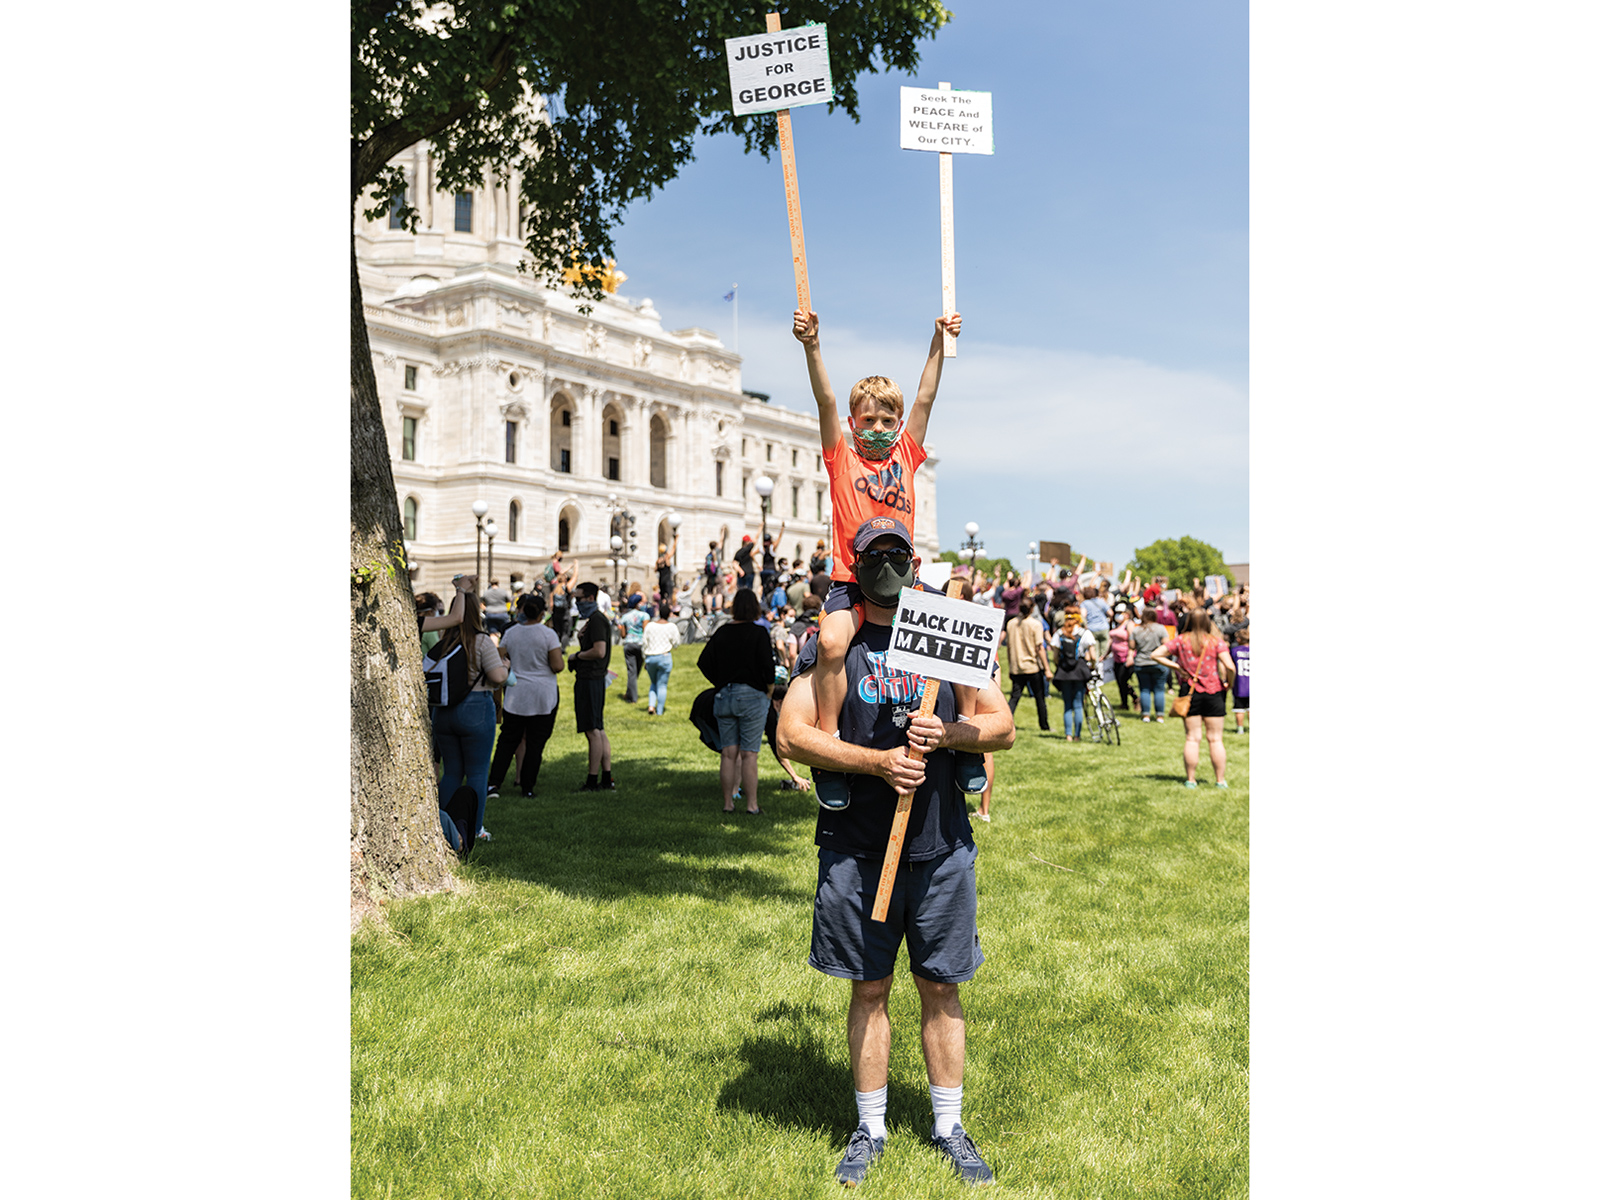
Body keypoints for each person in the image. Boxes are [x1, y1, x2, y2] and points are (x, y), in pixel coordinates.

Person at [774, 530, 1016, 1188]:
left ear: (914, 567)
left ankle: (948, 1126)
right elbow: (791, 732)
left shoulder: (939, 630)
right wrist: (876, 762)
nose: (888, 567)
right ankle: (871, 1126)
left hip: (940, 848)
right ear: (857, 568)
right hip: (856, 851)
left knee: (942, 985)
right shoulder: (838, 640)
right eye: (875, 557)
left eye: (898, 557)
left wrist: (952, 735)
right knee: (870, 987)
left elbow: (1003, 726)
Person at [793, 305, 964, 809]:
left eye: (888, 419)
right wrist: (812, 346)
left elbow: (928, 395)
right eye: (868, 419)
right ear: (853, 422)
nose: (879, 426)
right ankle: (829, 752)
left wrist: (938, 342)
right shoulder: (840, 457)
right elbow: (824, 398)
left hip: (905, 579)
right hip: (852, 579)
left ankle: (967, 742)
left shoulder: (907, 453)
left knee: (957, 635)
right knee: (829, 644)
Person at [428, 593, 509, 850]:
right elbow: (496, 676)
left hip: (443, 712)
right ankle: (474, 829)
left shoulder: (444, 641)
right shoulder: (481, 641)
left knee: (451, 771)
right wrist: (505, 666)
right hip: (476, 709)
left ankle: (441, 824)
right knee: (476, 772)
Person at [697, 588, 776, 814]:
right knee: (749, 753)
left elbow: (703, 662)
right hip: (752, 696)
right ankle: (752, 805)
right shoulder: (758, 632)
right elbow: (767, 667)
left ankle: (728, 803)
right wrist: (769, 688)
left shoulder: (722, 632)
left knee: (728, 753)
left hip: (724, 696)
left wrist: (720, 681)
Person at [486, 593, 564, 797]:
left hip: (516, 692)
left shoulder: (511, 633)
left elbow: (500, 657)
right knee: (535, 742)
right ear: (541, 613)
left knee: (508, 739)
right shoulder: (548, 635)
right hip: (542, 692)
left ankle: (494, 783)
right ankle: (527, 786)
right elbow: (557, 665)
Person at [1152, 610, 1236, 788]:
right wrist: (1229, 683)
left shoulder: (1181, 640)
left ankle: (1191, 779)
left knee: (1192, 738)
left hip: (1189, 691)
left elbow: (1156, 654)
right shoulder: (1215, 641)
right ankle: (1220, 780)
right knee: (1215, 739)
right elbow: (1230, 666)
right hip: (1214, 692)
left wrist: (1177, 666)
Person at [568, 582, 615, 791]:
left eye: (579, 598)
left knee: (592, 731)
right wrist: (581, 640)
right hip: (594, 678)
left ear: (590, 598)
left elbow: (599, 651)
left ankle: (592, 779)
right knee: (599, 728)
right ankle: (606, 778)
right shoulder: (596, 620)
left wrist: (576, 655)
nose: (577, 603)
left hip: (590, 679)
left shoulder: (596, 620)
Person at [1049, 611, 1100, 742]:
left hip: (1064, 672)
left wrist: (1058, 664)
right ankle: (1077, 735)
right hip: (1080, 671)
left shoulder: (1059, 633)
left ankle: (1068, 735)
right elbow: (1093, 655)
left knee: (1067, 705)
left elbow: (1055, 655)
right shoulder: (1085, 633)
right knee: (1078, 704)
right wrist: (1093, 665)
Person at [1003, 595, 1051, 732]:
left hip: (1017, 666)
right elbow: (1040, 648)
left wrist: (1011, 665)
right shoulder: (1035, 624)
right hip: (1032, 667)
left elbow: (1009, 647)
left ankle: (1005, 723)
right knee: (1039, 698)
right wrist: (1047, 668)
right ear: (1032, 609)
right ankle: (1044, 725)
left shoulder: (1011, 623)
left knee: (1014, 698)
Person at [1130, 606, 1169, 723]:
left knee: (1144, 689)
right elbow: (1166, 645)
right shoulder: (1161, 629)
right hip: (1158, 662)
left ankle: (1145, 715)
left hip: (1141, 663)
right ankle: (1159, 716)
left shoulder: (1137, 630)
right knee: (1159, 690)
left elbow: (1131, 646)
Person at [641, 604, 681, 716]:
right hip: (664, 657)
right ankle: (659, 711)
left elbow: (644, 643)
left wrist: (645, 658)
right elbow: (677, 642)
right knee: (662, 685)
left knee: (653, 682)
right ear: (669, 614)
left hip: (651, 657)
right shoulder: (672, 626)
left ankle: (651, 705)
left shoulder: (650, 626)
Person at [616, 594, 649, 704]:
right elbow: (646, 631)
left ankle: (629, 693)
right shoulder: (645, 616)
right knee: (636, 671)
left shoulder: (625, 617)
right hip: (640, 644)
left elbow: (623, 635)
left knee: (632, 672)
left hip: (629, 644)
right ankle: (633, 698)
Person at [1108, 602, 1137, 711]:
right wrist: (1105, 654)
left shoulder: (1129, 624)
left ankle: (1134, 698)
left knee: (1123, 680)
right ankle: (1124, 703)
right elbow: (1112, 641)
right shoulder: (1117, 624)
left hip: (1126, 657)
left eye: (1120, 613)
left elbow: (1132, 640)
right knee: (1120, 682)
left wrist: (1130, 655)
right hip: (1117, 658)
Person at [1230, 625, 1249, 734]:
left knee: (1239, 709)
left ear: (1238, 639)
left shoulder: (1234, 651)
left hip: (1239, 683)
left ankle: (1240, 728)